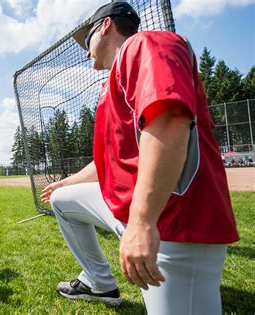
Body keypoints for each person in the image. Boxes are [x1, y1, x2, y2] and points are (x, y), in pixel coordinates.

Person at [41, 3, 238, 314]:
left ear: (106, 26)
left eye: (87, 39)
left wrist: (142, 222)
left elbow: (170, 123)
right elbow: (111, 161)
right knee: (63, 200)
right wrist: (66, 183)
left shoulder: (145, 44)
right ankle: (98, 282)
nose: (85, 52)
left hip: (172, 223)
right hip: (133, 212)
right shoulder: (115, 81)